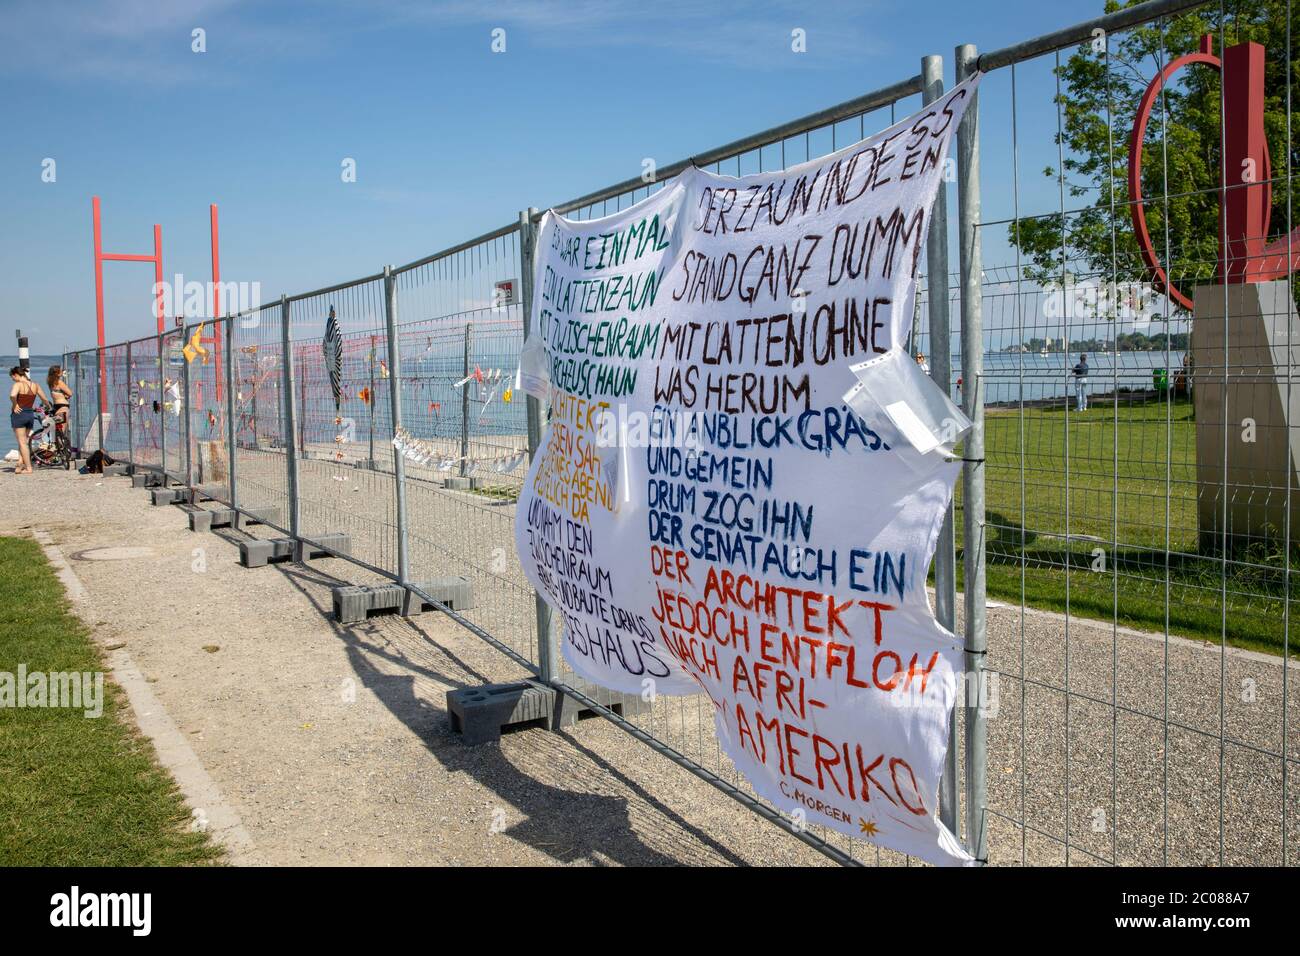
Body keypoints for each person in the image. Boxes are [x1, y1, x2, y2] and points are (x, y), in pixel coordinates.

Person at [9, 366, 50, 475]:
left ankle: (28, 468)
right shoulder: (35, 385)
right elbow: (44, 399)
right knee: (23, 442)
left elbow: (12, 395)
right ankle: (20, 463)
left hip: (19, 415)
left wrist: (15, 404)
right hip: (29, 415)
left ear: (16, 375)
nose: (12, 379)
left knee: (22, 443)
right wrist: (49, 407)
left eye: (12, 377)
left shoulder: (18, 384)